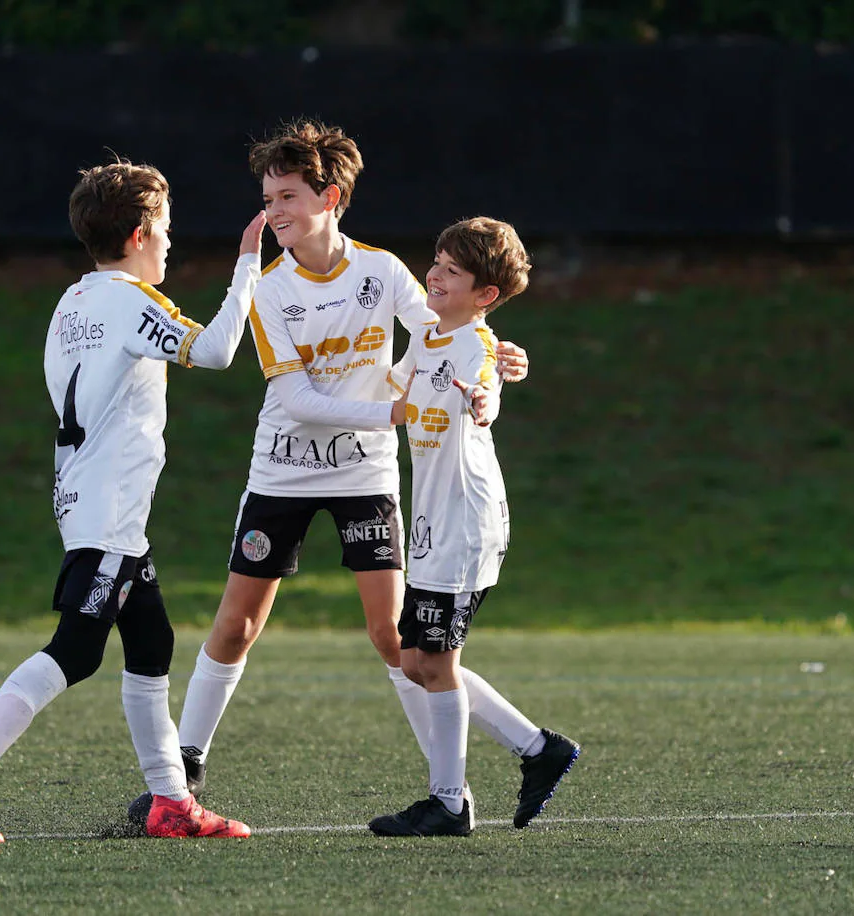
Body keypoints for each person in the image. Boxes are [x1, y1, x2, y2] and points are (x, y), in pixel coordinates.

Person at [126, 120, 554, 828]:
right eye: (267, 198)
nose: (274, 212)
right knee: (236, 625)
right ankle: (185, 771)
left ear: (331, 197)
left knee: (394, 637)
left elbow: (451, 339)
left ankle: (447, 794)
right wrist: (390, 414)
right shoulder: (269, 290)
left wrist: (500, 372)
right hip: (283, 473)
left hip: (365, 476)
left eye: (287, 196)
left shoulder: (382, 272)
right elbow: (296, 400)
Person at [0, 158, 266, 841]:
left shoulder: (73, 302)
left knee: (152, 639)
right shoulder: (135, 302)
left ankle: (171, 803)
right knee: (77, 649)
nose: (169, 242)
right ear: (137, 235)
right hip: (107, 508)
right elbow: (218, 351)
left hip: (91, 499)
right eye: (164, 230)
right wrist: (247, 264)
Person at [368, 217, 580, 837]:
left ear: (484, 295)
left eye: (452, 270)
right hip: (433, 521)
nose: (434, 272)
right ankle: (539, 750)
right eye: (435, 259)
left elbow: (484, 389)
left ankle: (449, 803)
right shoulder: (430, 338)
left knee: (434, 662)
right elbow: (395, 386)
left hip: (466, 522)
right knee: (415, 661)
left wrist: (486, 399)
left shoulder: (477, 347)